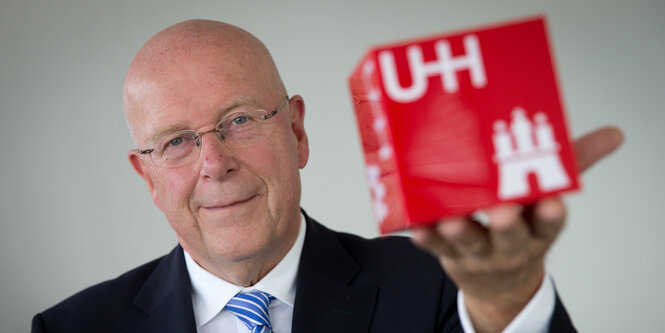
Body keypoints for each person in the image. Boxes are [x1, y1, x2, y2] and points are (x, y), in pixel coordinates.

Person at [31, 19, 623, 333]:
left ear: (297, 131)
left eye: (238, 120)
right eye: (177, 142)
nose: (214, 163)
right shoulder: (69, 328)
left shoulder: (443, 286)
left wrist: (505, 304)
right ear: (148, 176)